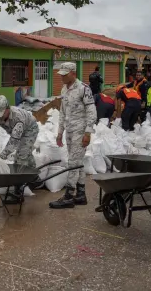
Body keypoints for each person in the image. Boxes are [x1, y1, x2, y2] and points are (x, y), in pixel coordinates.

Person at [49, 62, 97, 209]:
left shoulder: (83, 89)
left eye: (65, 74)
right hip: (69, 131)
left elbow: (92, 112)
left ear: (73, 73)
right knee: (78, 162)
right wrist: (59, 132)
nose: (62, 77)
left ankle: (69, 196)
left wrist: (88, 133)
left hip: (80, 132)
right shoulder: (64, 89)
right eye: (61, 74)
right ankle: (81, 194)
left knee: (73, 163)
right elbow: (62, 112)